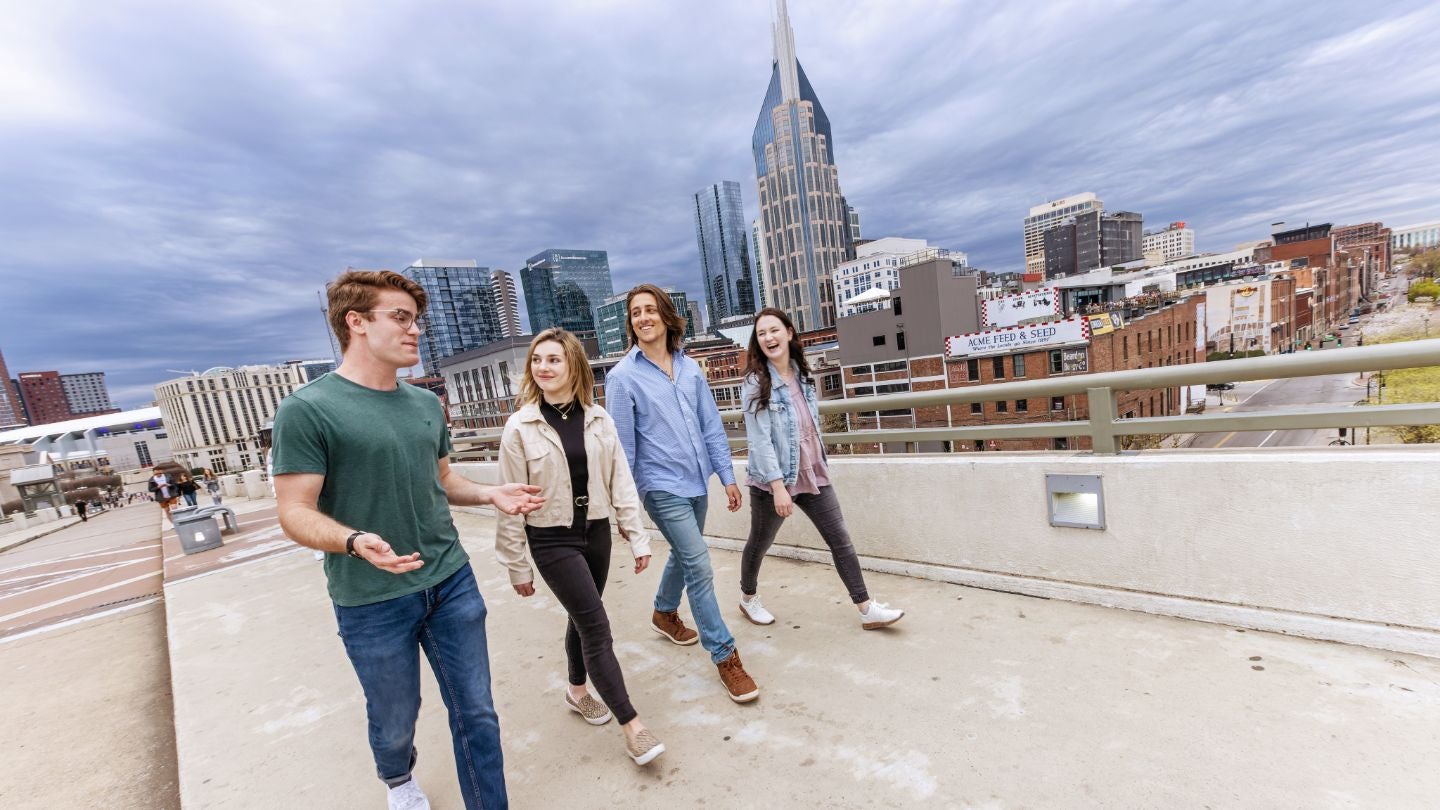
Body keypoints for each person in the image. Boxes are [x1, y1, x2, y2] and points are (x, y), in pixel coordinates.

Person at [271, 269, 543, 810]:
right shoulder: (308, 409)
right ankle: (398, 779)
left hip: (450, 581)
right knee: (395, 717)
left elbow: (442, 480)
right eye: (400, 318)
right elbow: (294, 511)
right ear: (356, 323)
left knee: (477, 711)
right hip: (371, 599)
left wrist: (490, 495)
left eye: (416, 320)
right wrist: (353, 541)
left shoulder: (424, 405)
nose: (415, 330)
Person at [496, 328, 666, 766]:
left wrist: (637, 534)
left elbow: (619, 480)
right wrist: (517, 564)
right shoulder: (520, 425)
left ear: (573, 364)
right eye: (537, 360)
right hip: (551, 538)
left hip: (596, 532)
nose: (543, 367)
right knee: (596, 625)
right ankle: (634, 726)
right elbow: (509, 500)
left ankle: (576, 691)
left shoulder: (598, 418)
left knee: (582, 612)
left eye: (553, 359)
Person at [606, 283, 760, 703]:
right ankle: (725, 655)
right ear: (630, 322)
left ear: (666, 316)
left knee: (683, 552)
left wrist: (727, 476)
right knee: (699, 565)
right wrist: (628, 510)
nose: (643, 317)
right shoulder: (622, 378)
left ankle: (663, 610)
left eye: (650, 310)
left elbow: (711, 426)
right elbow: (622, 449)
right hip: (660, 487)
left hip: (697, 483)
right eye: (635, 312)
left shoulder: (690, 368)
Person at [737, 308, 906, 630]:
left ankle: (866, 608)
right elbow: (759, 441)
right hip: (774, 482)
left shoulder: (803, 375)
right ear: (757, 342)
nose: (769, 338)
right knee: (760, 542)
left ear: (788, 333)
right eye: (761, 334)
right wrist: (777, 488)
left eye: (774, 330)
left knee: (840, 539)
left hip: (812, 474)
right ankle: (748, 599)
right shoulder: (755, 383)